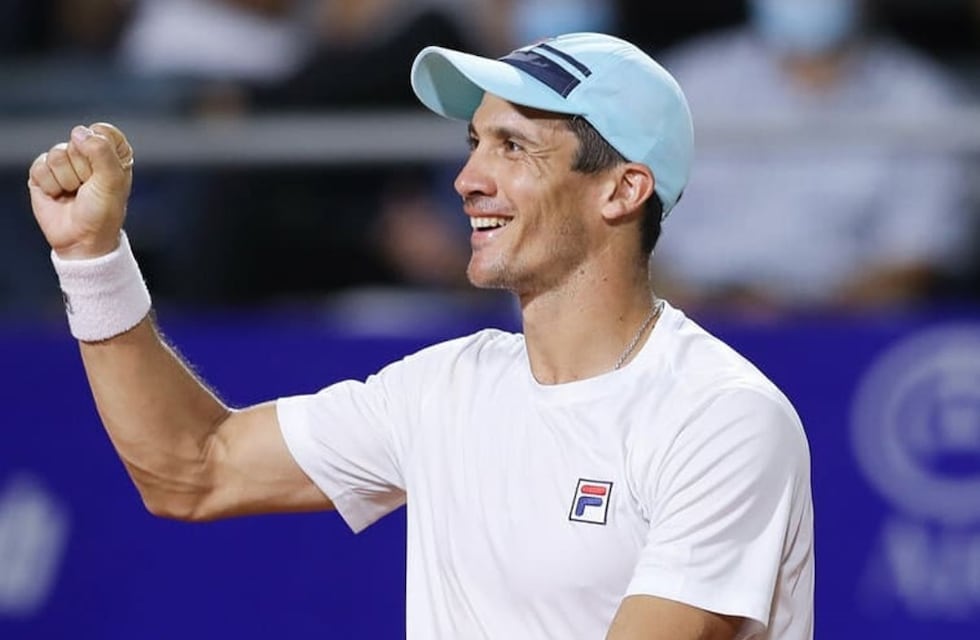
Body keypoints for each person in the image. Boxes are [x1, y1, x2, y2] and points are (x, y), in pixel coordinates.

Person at [26, 33, 814, 639]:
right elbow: (192, 470)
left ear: (622, 189)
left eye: (514, 147)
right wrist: (91, 259)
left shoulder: (722, 417)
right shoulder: (445, 387)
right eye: (475, 143)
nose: (469, 179)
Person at [652, 0, 975, 315]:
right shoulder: (685, 80)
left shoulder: (924, 100)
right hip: (685, 325)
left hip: (838, 337)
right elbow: (627, 231)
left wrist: (799, 325)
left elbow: (915, 260)